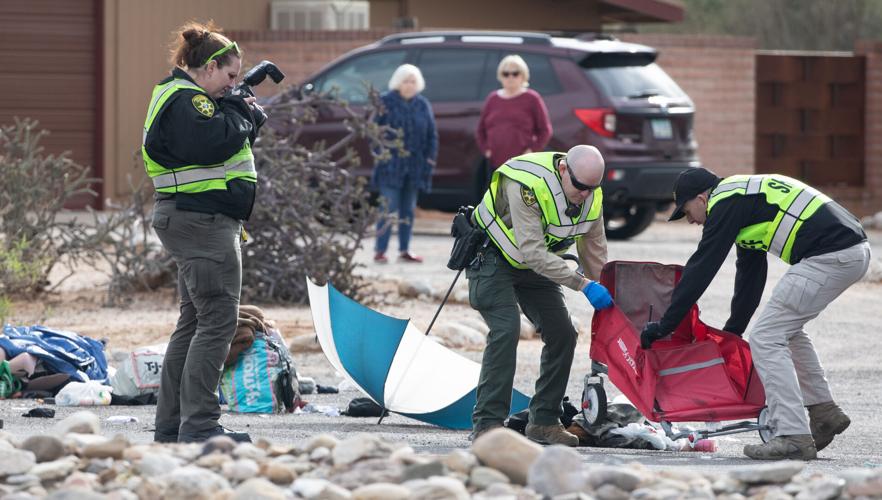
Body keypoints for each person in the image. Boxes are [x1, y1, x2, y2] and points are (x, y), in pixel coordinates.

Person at [640, 168, 870, 460]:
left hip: (832, 254)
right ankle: (824, 412)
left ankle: (792, 435)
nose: (691, 220)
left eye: (687, 211)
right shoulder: (744, 199)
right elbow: (750, 274)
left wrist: (665, 325)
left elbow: (703, 265)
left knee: (766, 336)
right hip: (851, 251)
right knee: (785, 330)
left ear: (701, 198)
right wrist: (733, 331)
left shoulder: (724, 200)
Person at [143, 21, 266, 443]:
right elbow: (215, 141)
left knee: (194, 320)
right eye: (230, 76)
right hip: (201, 222)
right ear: (210, 67)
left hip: (193, 219)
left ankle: (173, 425)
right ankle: (199, 427)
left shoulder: (179, 97)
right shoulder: (188, 100)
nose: (231, 86)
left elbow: (212, 148)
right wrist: (243, 112)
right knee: (216, 321)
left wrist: (241, 117)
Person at [468, 145, 613, 446]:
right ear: (563, 170)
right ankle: (488, 426)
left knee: (563, 332)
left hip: (536, 267)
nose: (585, 194)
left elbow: (595, 253)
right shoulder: (527, 183)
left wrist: (607, 290)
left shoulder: (591, 196)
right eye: (581, 187)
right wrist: (583, 285)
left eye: (592, 188)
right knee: (506, 329)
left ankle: (544, 422)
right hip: (494, 258)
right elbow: (532, 252)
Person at [372, 64, 438, 264]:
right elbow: (374, 133)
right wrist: (381, 154)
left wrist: (429, 159)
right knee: (388, 207)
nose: (409, 85)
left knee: (408, 209)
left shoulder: (423, 104)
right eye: (405, 81)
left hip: (415, 165)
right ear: (397, 82)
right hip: (390, 165)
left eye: (413, 81)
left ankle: (404, 249)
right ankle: (380, 250)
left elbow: (432, 134)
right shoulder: (385, 101)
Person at [476, 55, 552, 184]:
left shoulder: (532, 98)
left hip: (522, 164)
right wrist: (486, 150)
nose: (510, 77)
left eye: (515, 73)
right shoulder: (493, 98)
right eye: (506, 74)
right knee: (497, 200)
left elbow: (545, 130)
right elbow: (480, 130)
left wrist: (531, 151)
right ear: (501, 76)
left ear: (523, 76)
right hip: (495, 164)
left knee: (519, 201)